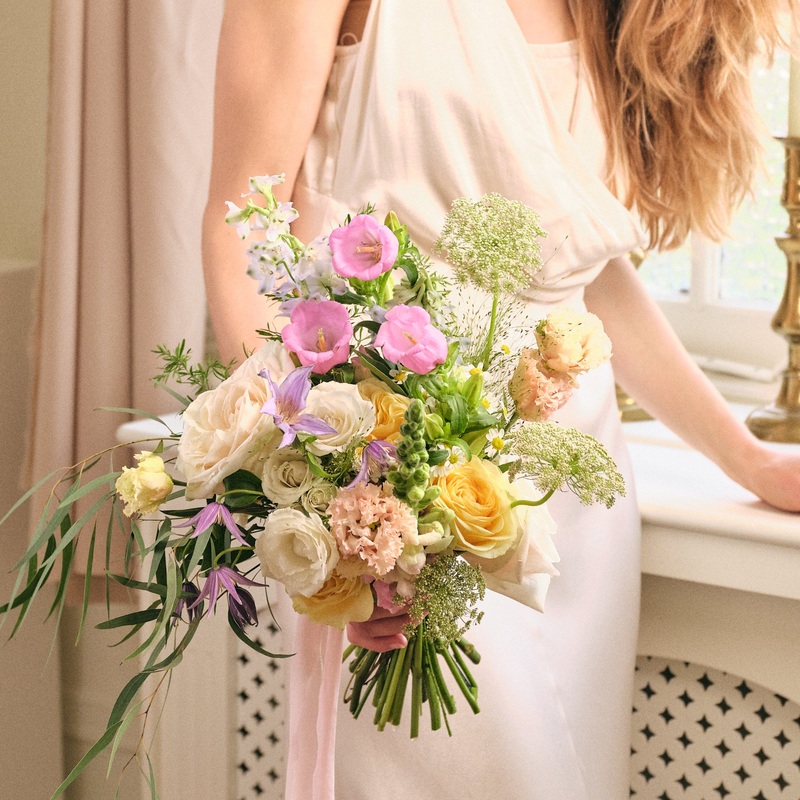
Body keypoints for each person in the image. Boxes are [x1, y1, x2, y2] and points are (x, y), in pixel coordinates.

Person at [202, 1, 800, 797]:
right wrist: (320, 493)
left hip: (572, 501)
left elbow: (575, 274)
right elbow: (239, 219)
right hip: (398, 477)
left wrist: (749, 459)